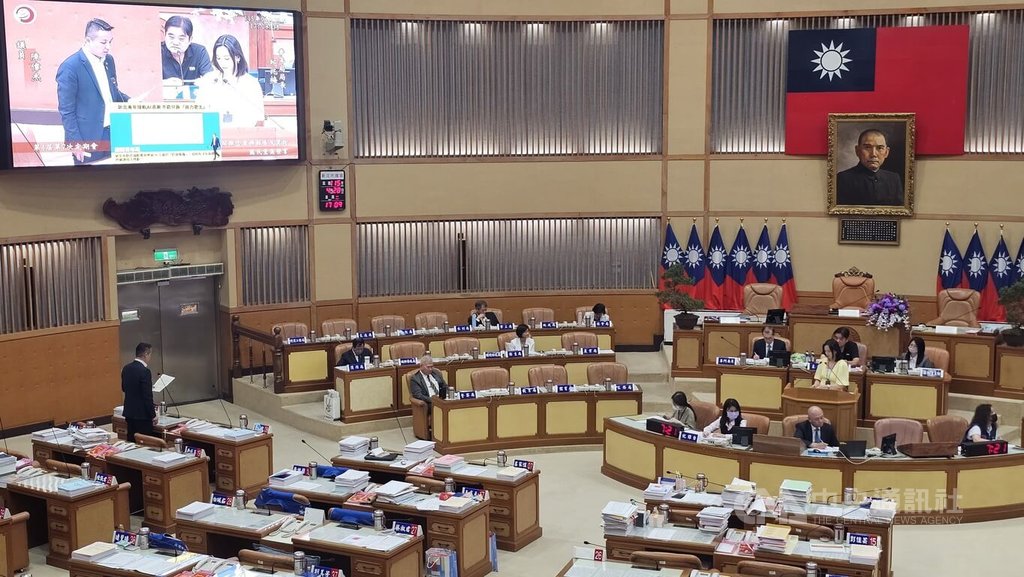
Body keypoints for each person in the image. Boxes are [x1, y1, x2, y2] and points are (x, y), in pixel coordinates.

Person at [56, 18, 131, 164]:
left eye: (110, 42)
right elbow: (66, 110)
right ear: (87, 41)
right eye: (103, 42)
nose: (108, 47)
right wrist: (75, 142)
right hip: (88, 137)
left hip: (113, 132)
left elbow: (111, 91)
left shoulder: (109, 60)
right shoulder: (70, 67)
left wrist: (129, 100)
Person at [196, 34, 265, 127]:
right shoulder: (209, 79)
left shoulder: (251, 83)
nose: (222, 63)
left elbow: (259, 118)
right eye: (218, 58)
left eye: (226, 58)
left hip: (242, 132)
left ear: (238, 57)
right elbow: (199, 110)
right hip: (214, 131)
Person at [836, 129, 904, 206]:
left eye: (880, 148)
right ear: (857, 151)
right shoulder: (843, 179)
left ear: (886, 152)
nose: (873, 154)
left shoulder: (894, 179)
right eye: (867, 147)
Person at [161, 15, 213, 83]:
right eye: (171, 37)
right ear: (165, 35)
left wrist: (203, 81)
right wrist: (164, 83)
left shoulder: (200, 52)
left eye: (181, 38)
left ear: (190, 40)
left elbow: (209, 77)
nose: (175, 42)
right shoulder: (157, 52)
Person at [121, 342, 156, 442]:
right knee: (144, 443)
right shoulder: (145, 371)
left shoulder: (126, 368)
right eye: (150, 354)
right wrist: (153, 415)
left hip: (129, 413)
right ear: (146, 354)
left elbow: (124, 388)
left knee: (131, 442)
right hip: (142, 416)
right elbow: (147, 396)